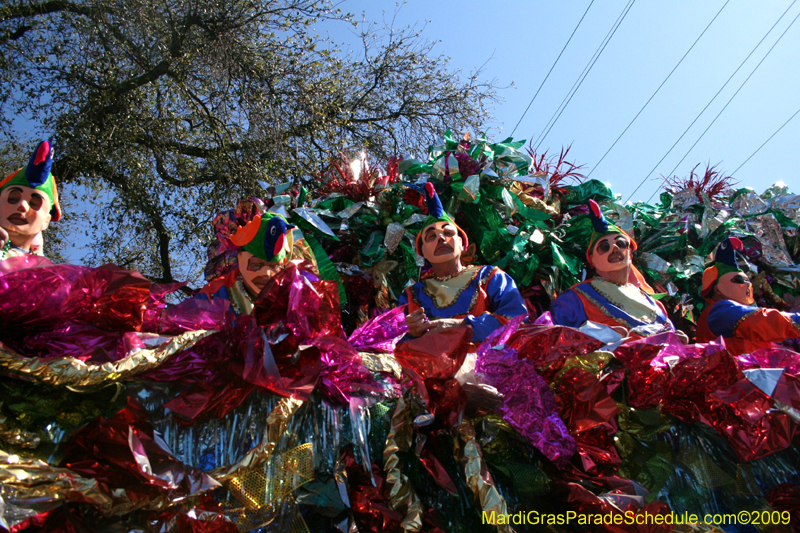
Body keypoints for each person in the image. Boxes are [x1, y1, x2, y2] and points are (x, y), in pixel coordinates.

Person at [398, 182, 527, 343]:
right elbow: (394, 344)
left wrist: (463, 326)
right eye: (431, 236)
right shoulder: (412, 295)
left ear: (462, 244)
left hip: (486, 366)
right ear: (422, 252)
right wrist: (410, 333)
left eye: (448, 232)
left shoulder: (491, 277)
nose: (441, 238)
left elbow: (517, 323)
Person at [551, 199, 685, 341]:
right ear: (592, 260)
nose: (615, 248)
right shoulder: (575, 299)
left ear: (630, 253)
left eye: (621, 243)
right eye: (604, 247)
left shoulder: (654, 304)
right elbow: (562, 344)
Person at [198, 199, 319, 315]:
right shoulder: (211, 298)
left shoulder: (300, 295)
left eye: (274, 266)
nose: (266, 273)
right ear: (239, 259)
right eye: (256, 264)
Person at [697, 236, 800, 355]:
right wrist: (796, 320)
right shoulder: (720, 310)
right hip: (735, 372)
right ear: (717, 289)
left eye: (748, 280)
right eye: (739, 280)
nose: (748, 284)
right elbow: (761, 321)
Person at [0, 140, 61, 262]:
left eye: (34, 204)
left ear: (46, 221)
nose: (22, 205)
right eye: (12, 199)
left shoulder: (48, 272)